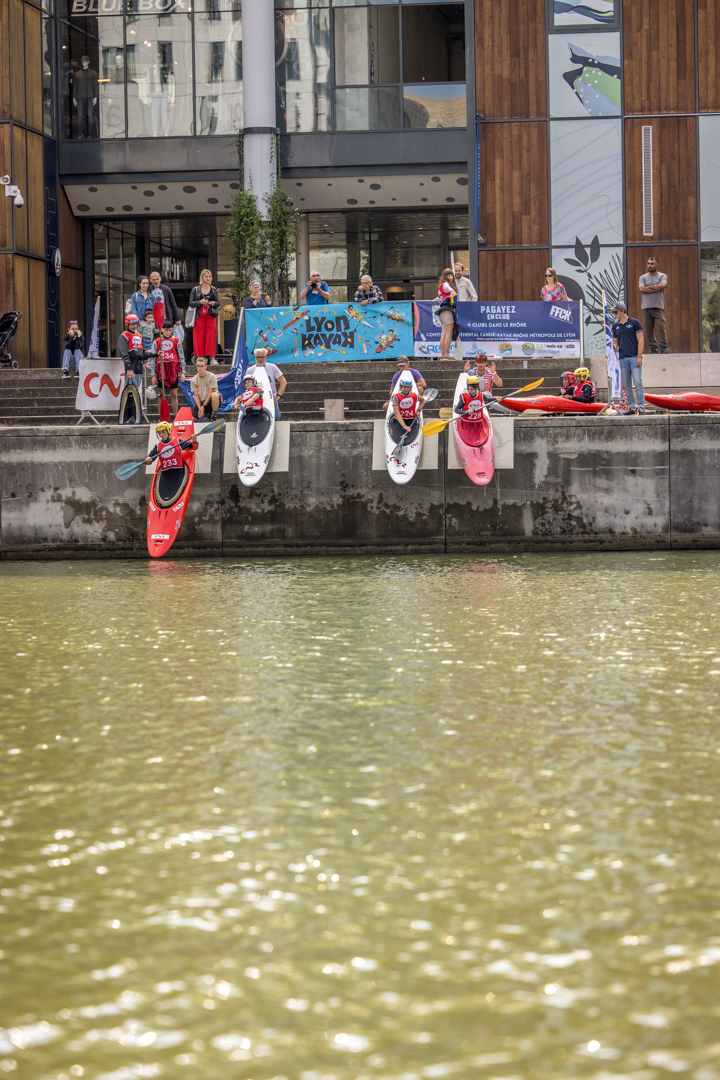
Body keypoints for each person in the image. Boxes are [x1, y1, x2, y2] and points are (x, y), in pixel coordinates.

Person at [611, 301, 646, 414]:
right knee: (626, 384)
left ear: (622, 310)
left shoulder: (635, 322)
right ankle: (631, 407)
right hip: (623, 358)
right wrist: (614, 345)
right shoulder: (615, 326)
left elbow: (641, 340)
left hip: (634, 356)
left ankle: (641, 406)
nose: (614, 313)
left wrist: (639, 356)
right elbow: (616, 341)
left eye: (616, 311)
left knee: (637, 382)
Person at [149, 321, 186, 417]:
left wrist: (183, 372)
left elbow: (181, 357)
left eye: (170, 330)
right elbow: (153, 359)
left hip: (173, 370)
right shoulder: (157, 341)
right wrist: (153, 375)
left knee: (174, 394)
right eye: (166, 330)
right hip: (161, 370)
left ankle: (175, 416)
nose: (168, 332)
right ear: (161, 330)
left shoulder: (177, 341)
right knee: (161, 394)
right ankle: (161, 416)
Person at [244, 347, 286, 420]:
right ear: (255, 358)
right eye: (258, 357)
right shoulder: (250, 370)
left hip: (271, 398)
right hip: (256, 399)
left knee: (276, 417)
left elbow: (283, 381)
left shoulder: (272, 367)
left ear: (266, 357)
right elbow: (247, 386)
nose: (260, 359)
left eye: (262, 357)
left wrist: (278, 396)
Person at [188, 269, 219, 364]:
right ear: (202, 278)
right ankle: (200, 358)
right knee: (199, 336)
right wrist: (199, 302)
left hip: (210, 315)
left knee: (211, 336)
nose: (208, 278)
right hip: (199, 315)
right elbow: (190, 302)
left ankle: (212, 359)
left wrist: (214, 303)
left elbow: (218, 302)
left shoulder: (213, 290)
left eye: (209, 277)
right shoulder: (196, 289)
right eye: (206, 276)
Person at [639, 256, 668, 354]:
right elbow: (642, 289)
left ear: (657, 265)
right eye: (648, 263)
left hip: (658, 306)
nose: (649, 265)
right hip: (646, 307)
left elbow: (663, 285)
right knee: (648, 329)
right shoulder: (643, 277)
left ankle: (663, 347)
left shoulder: (662, 276)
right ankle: (653, 348)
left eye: (652, 264)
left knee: (661, 327)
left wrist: (649, 288)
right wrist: (656, 287)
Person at [391, 372, 428, 437]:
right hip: (399, 421)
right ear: (401, 387)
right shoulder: (396, 397)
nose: (406, 389)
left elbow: (423, 400)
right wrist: (404, 426)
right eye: (404, 387)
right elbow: (397, 413)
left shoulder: (414, 395)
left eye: (408, 387)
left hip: (411, 420)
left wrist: (418, 410)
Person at [117, 314, 147, 391]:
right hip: (131, 364)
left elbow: (144, 351)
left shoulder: (139, 335)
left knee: (137, 388)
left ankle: (134, 403)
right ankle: (128, 403)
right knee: (129, 388)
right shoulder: (124, 336)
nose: (134, 326)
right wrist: (128, 368)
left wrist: (155, 354)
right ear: (127, 324)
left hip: (139, 365)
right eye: (132, 324)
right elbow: (124, 353)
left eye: (135, 324)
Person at [73, 55, 98, 138]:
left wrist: (96, 96)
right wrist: (74, 98)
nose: (84, 62)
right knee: (80, 116)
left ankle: (89, 135)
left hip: (90, 96)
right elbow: (75, 86)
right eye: (83, 61)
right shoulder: (77, 74)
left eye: (85, 61)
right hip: (80, 97)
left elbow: (95, 85)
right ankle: (80, 134)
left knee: (90, 116)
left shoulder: (93, 73)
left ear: (88, 62)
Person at [436, 268, 458, 360]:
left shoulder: (441, 286)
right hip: (447, 309)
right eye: (448, 275)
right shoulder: (445, 284)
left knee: (444, 333)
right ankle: (446, 355)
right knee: (448, 333)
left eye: (451, 275)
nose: (450, 277)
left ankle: (443, 355)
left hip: (442, 310)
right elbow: (447, 287)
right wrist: (452, 290)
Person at [190, 356, 220, 421]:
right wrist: (200, 408)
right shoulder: (194, 380)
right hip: (201, 401)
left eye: (202, 366)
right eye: (198, 366)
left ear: (206, 366)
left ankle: (214, 416)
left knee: (214, 395)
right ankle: (207, 415)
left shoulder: (211, 376)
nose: (200, 368)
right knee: (192, 417)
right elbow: (196, 396)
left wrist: (203, 407)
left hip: (212, 400)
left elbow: (210, 393)